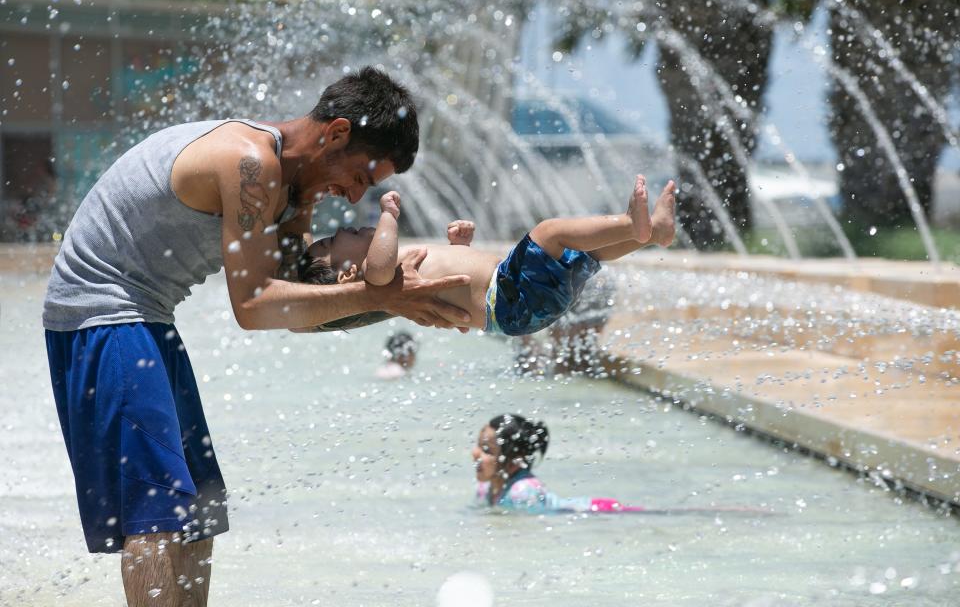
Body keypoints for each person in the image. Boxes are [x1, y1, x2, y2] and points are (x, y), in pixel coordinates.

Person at [42, 66, 472, 607]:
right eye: (362, 176)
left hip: (146, 318)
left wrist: (404, 301)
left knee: (200, 508)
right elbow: (252, 306)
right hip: (101, 312)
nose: (355, 194)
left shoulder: (295, 192)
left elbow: (293, 308)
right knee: (157, 513)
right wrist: (378, 298)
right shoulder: (250, 163)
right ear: (336, 133)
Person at [297, 174, 676, 336]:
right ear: (347, 276)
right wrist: (388, 216)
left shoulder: (402, 280)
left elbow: (460, 281)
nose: (341, 232)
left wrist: (459, 247)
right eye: (331, 243)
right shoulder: (379, 279)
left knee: (586, 253)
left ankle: (652, 233)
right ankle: (631, 224)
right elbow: (378, 266)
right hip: (509, 299)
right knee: (549, 233)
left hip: (515, 307)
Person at [471, 414, 644, 513]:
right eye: (479, 445)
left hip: (599, 512)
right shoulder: (486, 488)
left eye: (487, 450)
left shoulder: (522, 493)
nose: (475, 453)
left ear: (517, 459)